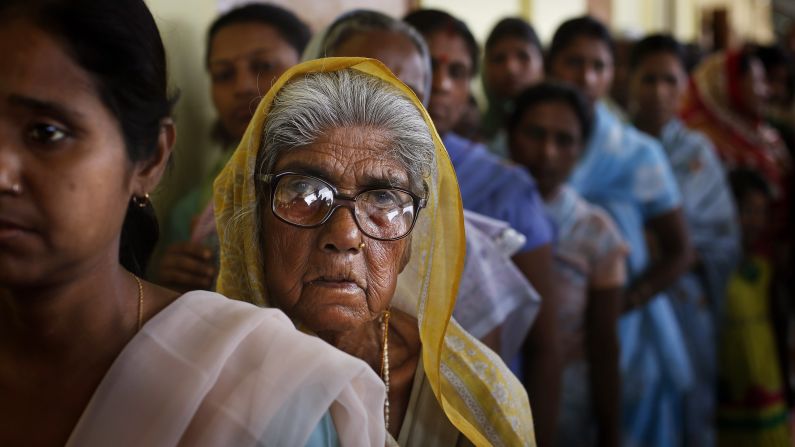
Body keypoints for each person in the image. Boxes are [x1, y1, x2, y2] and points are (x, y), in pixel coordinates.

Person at [0, 1, 386, 445]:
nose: (3, 174)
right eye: (224, 73)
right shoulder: (192, 211)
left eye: (46, 133)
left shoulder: (260, 398)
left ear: (150, 158)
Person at [213, 57, 536, 446]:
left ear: (411, 242)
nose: (345, 235)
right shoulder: (204, 379)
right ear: (256, 219)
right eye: (303, 191)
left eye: (383, 198)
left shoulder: (477, 398)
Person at [304, 9, 540, 361]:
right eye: (364, 85)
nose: (385, 108)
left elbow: (471, 389)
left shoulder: (451, 242)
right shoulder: (257, 203)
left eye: (408, 94)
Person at [405, 10, 561, 445]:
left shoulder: (508, 186)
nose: (446, 85)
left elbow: (544, 343)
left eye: (460, 71)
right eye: (431, 67)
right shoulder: (359, 172)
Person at [547, 16, 694, 447]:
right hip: (546, 324)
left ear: (614, 75)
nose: (586, 77)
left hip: (625, 329)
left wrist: (623, 303)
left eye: (599, 66)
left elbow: (680, 251)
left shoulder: (638, 154)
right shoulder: (528, 145)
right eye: (574, 62)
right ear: (553, 65)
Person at [628, 34, 741, 447]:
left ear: (684, 87)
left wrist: (670, 251)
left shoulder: (697, 152)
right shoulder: (612, 148)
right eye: (649, 79)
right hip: (622, 296)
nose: (658, 92)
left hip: (686, 296)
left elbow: (720, 234)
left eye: (670, 81)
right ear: (630, 81)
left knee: (689, 403)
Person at [157, 3, 310, 293]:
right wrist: (169, 283)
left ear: (309, 66)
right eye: (224, 74)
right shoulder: (193, 212)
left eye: (263, 66)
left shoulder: (347, 178)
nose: (241, 87)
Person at [508, 82, 625, 447]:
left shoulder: (596, 231)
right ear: (510, 135)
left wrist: (610, 431)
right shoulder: (476, 210)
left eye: (564, 140)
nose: (547, 152)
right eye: (535, 134)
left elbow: (604, 343)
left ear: (581, 150)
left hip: (569, 407)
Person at [681, 47, 792, 258]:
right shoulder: (702, 140)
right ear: (730, 85)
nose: (765, 91)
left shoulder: (764, 134)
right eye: (757, 82)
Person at [717, 169, 791, 447]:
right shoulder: (716, 270)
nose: (755, 221)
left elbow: (778, 326)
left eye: (761, 212)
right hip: (728, 385)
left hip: (766, 384)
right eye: (747, 210)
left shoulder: (765, 270)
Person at [482, 17, 545, 157]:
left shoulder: (562, 126)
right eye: (499, 59)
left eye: (523, 56)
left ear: (542, 63)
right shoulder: (471, 130)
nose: (511, 68)